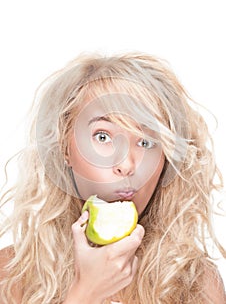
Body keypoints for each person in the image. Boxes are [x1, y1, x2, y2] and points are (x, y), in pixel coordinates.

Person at [0, 52, 225, 304]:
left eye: (145, 141)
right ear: (65, 147)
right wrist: (86, 293)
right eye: (103, 137)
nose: (126, 165)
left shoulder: (197, 282)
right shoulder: (13, 273)